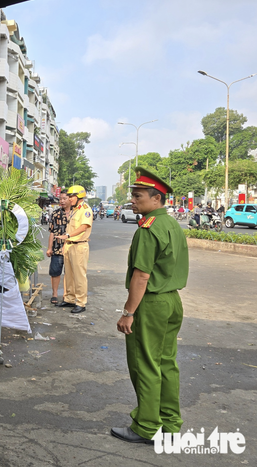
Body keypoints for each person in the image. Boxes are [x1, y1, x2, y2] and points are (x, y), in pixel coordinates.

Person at [111, 167, 189, 444]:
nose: (133, 200)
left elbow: (142, 275)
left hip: (151, 304)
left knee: (145, 364)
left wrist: (128, 313)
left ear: (156, 199)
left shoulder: (148, 229)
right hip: (172, 302)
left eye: (138, 195)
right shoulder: (172, 225)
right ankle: (169, 422)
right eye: (133, 195)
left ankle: (145, 427)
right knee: (167, 363)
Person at [54, 185, 92, 314]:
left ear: (79, 197)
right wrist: (66, 242)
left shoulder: (85, 210)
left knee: (79, 276)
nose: (69, 199)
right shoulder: (75, 209)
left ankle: (81, 302)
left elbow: (84, 226)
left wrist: (68, 236)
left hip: (79, 245)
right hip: (69, 244)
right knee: (68, 275)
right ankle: (69, 298)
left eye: (71, 196)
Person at [46, 190, 69, 305]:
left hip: (71, 248)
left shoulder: (76, 213)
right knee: (55, 272)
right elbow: (51, 232)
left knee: (70, 273)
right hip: (57, 247)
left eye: (64, 198)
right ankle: (55, 294)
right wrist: (49, 248)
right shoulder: (55, 214)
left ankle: (67, 295)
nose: (62, 201)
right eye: (60, 199)